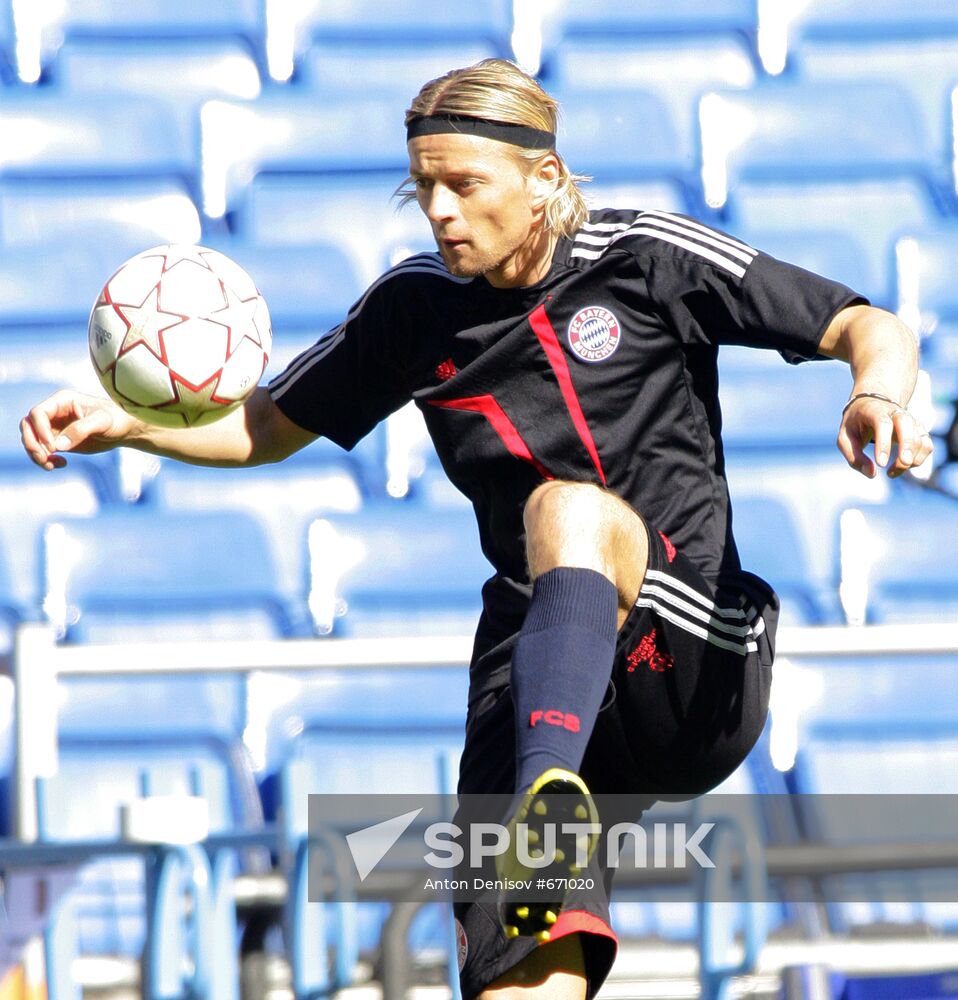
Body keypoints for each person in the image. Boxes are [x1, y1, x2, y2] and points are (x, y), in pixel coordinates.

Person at [21, 59, 933, 1000]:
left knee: (566, 508)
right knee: (515, 981)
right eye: (424, 190)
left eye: (465, 185)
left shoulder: (646, 257)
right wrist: (131, 424)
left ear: (545, 180)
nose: (441, 212)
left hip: (692, 648)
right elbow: (268, 426)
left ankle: (546, 815)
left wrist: (876, 394)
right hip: (536, 662)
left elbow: (864, 322)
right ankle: (544, 819)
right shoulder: (414, 310)